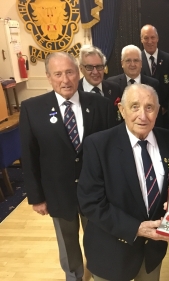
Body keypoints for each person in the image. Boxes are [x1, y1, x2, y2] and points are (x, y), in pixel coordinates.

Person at [20, 52, 114, 281]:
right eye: (58, 74)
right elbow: (29, 155)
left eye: (70, 72)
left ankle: (101, 273)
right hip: (58, 193)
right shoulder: (32, 108)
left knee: (99, 240)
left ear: (79, 73)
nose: (65, 80)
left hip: (96, 192)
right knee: (67, 242)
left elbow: (111, 152)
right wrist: (36, 197)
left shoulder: (101, 105)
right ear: (48, 77)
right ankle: (74, 276)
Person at [77, 84, 169, 281]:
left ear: (158, 110)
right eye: (135, 106)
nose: (142, 116)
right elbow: (90, 203)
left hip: (153, 252)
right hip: (111, 253)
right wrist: (136, 228)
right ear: (122, 110)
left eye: (149, 107)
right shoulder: (98, 145)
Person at [107, 44, 163, 127]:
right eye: (128, 60)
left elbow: (157, 114)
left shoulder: (153, 84)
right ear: (122, 63)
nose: (132, 64)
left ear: (141, 63)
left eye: (136, 60)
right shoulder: (111, 83)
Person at [140, 24, 169, 127]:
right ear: (141, 39)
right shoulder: (136, 61)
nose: (150, 41)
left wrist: (166, 106)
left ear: (157, 38)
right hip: (143, 114)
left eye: (152, 37)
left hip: (164, 115)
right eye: (146, 38)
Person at [78, 45, 123, 124]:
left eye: (99, 67)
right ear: (81, 69)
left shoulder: (115, 89)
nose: (95, 72)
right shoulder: (75, 91)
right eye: (89, 67)